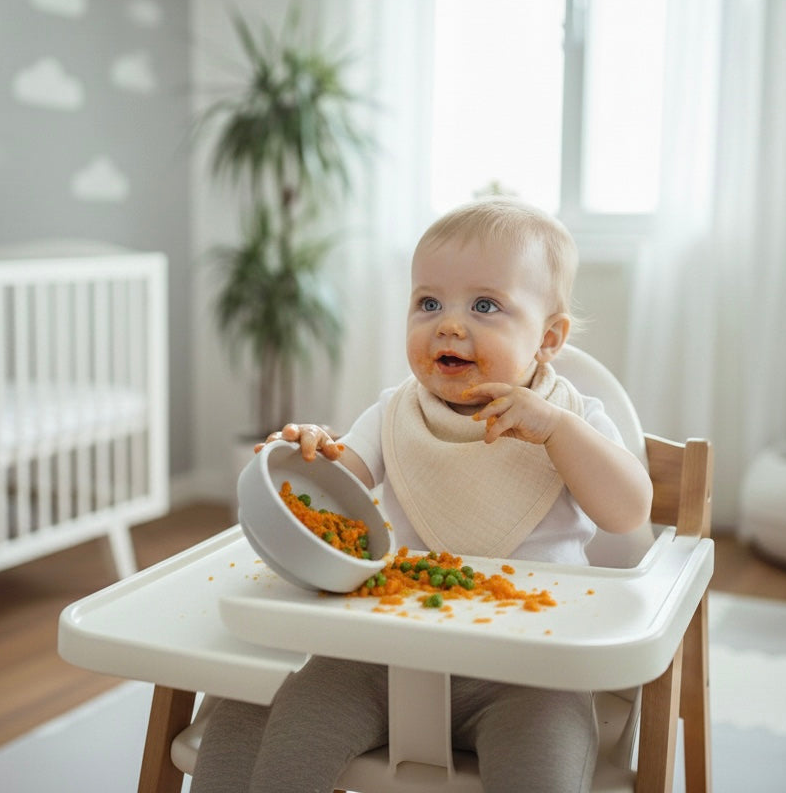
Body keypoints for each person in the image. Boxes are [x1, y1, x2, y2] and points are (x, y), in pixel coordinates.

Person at [191, 197, 653, 793]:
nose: (450, 324)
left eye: (485, 305)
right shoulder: (394, 412)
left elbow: (628, 511)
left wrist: (559, 434)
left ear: (548, 338)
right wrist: (307, 455)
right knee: (290, 738)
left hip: (529, 671)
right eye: (428, 302)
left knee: (545, 767)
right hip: (383, 655)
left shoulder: (573, 418)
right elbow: (339, 490)